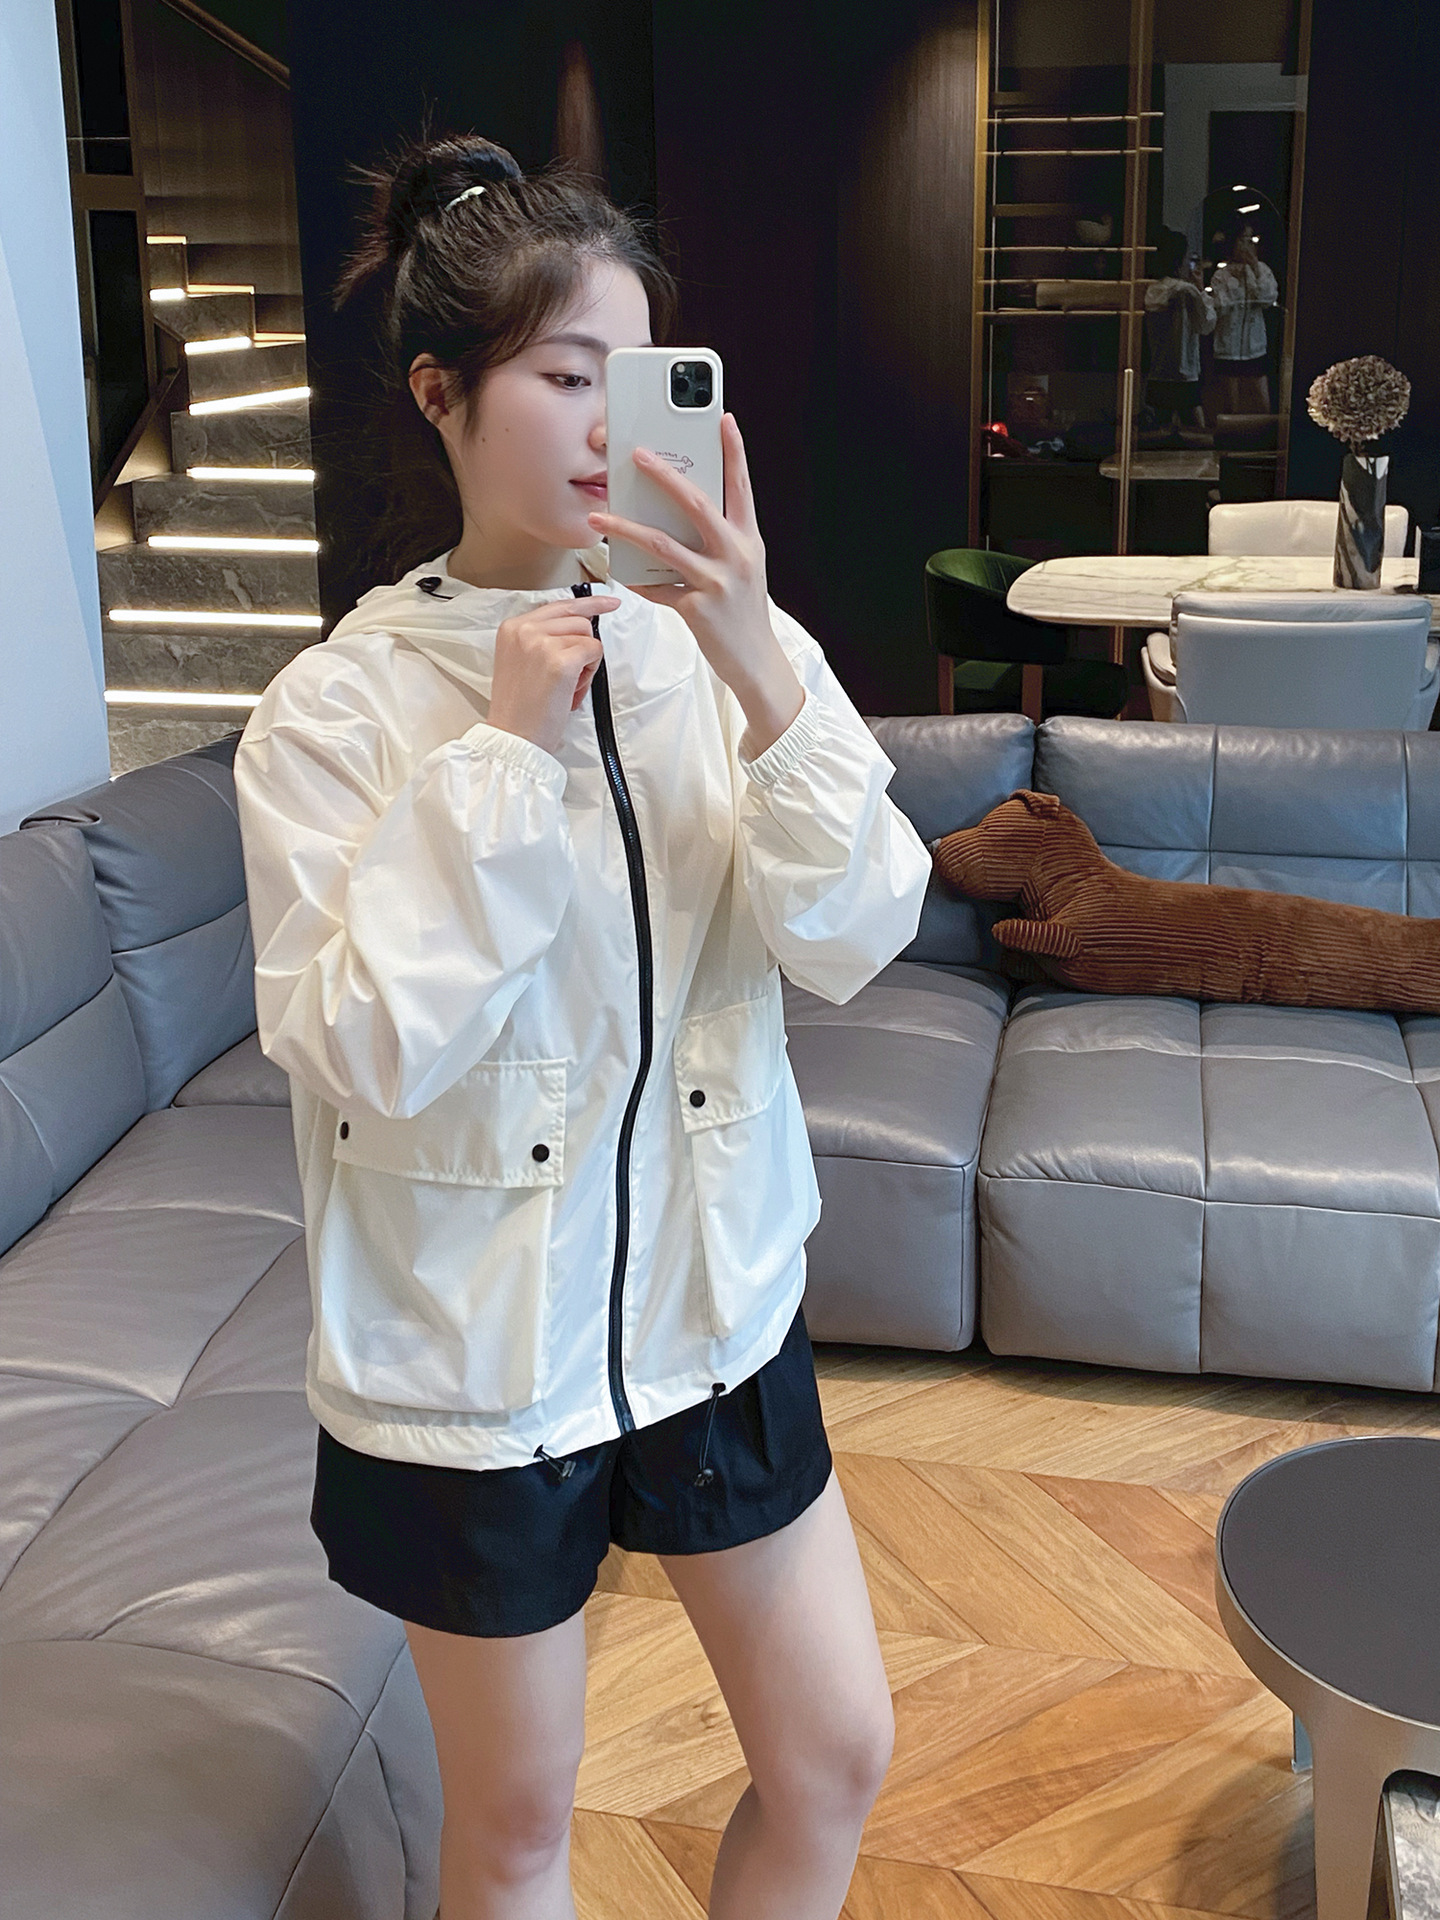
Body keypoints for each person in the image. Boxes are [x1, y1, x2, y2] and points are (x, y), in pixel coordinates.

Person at [231, 131, 933, 1920]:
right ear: (441, 394)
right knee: (520, 1832)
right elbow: (361, 1045)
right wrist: (503, 758)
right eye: (564, 376)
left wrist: (757, 651)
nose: (610, 421)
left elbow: (857, 935)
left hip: (716, 1310)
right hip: (473, 1369)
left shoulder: (721, 652)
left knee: (837, 1754)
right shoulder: (334, 714)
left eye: (639, 375)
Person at [1143, 227, 1215, 433]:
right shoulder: (1186, 291)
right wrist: (1201, 290)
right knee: (1196, 430)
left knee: (1160, 429)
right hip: (1185, 370)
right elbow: (1205, 324)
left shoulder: (1151, 288)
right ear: (1180, 261)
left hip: (1158, 369)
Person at [1210, 224, 1278, 415]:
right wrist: (1234, 281)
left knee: (1262, 401)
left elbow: (1268, 299)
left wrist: (1255, 269)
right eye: (1243, 240)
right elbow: (1221, 307)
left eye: (1250, 239)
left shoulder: (1262, 270)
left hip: (1255, 346)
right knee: (1231, 405)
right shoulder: (1221, 274)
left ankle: (1264, 432)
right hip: (1228, 347)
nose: (1247, 245)